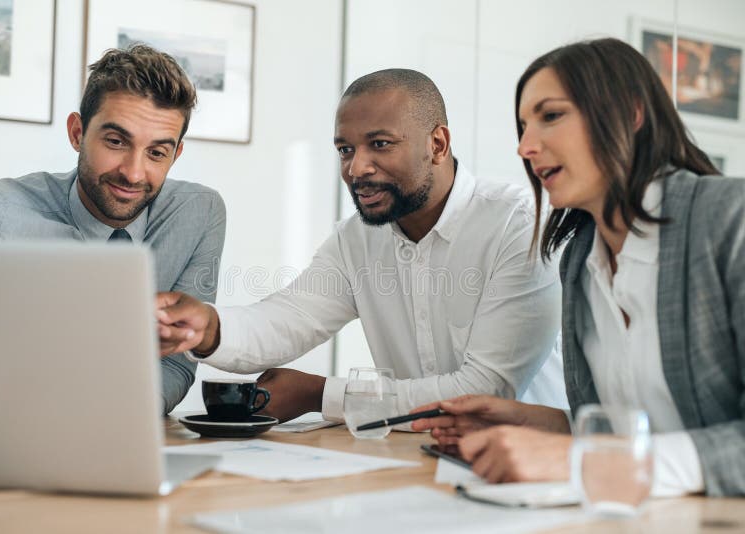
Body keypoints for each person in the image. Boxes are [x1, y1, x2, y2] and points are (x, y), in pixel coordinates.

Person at [412, 38, 745, 497]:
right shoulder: (579, 257)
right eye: (523, 126)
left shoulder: (731, 219)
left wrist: (584, 461)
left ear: (631, 114)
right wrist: (533, 421)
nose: (526, 147)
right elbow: (642, 427)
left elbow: (651, 453)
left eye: (551, 116)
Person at [156, 68, 565, 424]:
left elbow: (486, 392)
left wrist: (320, 395)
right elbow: (285, 320)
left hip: (532, 481)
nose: (357, 168)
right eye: (345, 150)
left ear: (437, 145)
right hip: (414, 458)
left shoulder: (519, 224)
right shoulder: (357, 239)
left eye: (380, 144)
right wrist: (204, 327)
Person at [0, 45, 226, 415]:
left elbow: (176, 360)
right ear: (77, 132)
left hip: (128, 426)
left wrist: (118, 420)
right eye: (116, 142)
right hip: (11, 425)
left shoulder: (198, 214)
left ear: (175, 155)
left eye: (156, 153)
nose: (133, 173)